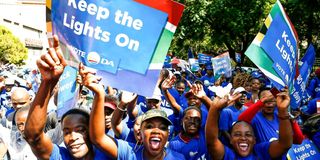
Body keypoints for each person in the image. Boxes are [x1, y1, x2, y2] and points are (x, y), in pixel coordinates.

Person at [24, 35, 108, 159]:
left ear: (91, 131)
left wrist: (100, 94)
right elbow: (33, 137)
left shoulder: (108, 154)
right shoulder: (61, 156)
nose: (73, 137)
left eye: (80, 130)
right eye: (67, 132)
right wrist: (48, 81)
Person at [83, 62, 185, 159]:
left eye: (162, 128)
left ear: (168, 134)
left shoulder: (178, 158)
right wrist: (99, 93)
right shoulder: (129, 152)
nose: (156, 131)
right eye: (149, 126)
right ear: (140, 132)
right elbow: (98, 138)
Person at [206, 88, 293, 159]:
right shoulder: (228, 155)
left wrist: (283, 111)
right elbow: (212, 142)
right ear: (231, 140)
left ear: (255, 140)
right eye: (237, 134)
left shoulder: (260, 151)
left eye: (248, 135)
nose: (243, 138)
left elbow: (285, 144)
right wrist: (214, 108)